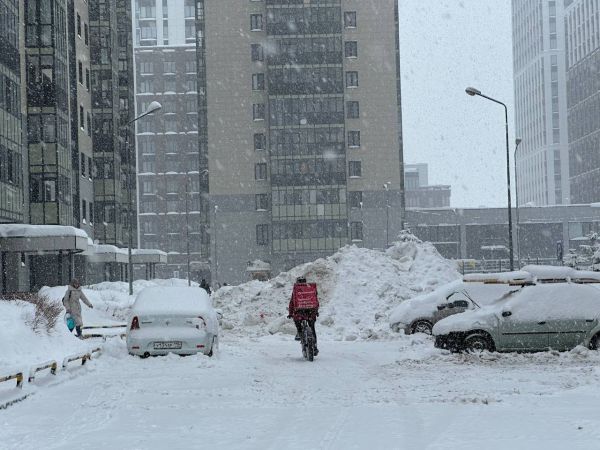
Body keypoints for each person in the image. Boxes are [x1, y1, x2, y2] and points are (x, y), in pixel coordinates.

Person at [288, 277, 319, 355]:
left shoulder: (296, 290)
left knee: (298, 325)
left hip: (299, 313)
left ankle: (300, 335)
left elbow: (292, 303)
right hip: (310, 312)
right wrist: (316, 311)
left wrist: (290, 313)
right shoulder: (311, 289)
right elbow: (315, 301)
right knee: (312, 328)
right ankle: (314, 347)